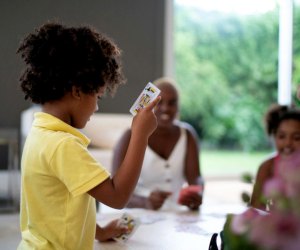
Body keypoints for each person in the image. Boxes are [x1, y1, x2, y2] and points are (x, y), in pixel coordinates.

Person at [17, 22, 160, 250]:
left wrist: (101, 232)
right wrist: (140, 135)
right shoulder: (63, 144)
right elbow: (117, 196)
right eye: (98, 96)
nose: (96, 108)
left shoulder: (41, 133)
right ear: (77, 91)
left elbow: (57, 207)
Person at [112, 77, 203, 211]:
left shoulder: (187, 134)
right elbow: (114, 190)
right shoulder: (129, 136)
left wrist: (197, 192)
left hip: (176, 212)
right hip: (138, 213)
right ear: (148, 103)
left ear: (178, 106)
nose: (166, 108)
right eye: (159, 103)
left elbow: (195, 177)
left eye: (172, 103)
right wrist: (145, 202)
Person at [250, 104, 300, 210]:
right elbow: (255, 208)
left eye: (296, 138)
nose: (288, 143)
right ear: (274, 136)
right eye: (282, 137)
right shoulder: (267, 167)